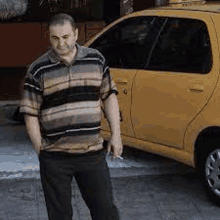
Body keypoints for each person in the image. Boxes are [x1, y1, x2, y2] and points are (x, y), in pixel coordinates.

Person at [20, 13, 123, 220]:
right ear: (49, 37)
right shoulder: (37, 69)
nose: (61, 43)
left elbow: (109, 96)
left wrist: (116, 135)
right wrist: (42, 151)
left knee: (106, 212)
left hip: (92, 153)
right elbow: (30, 113)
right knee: (60, 216)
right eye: (55, 38)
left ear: (76, 34)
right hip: (55, 158)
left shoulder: (96, 59)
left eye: (66, 37)